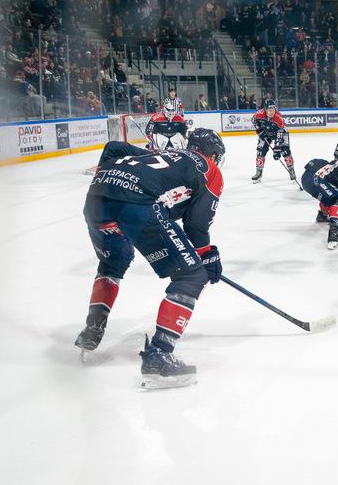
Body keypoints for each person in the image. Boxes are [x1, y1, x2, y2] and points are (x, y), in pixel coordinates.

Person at [75, 128, 226, 388]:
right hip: (135, 204)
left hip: (96, 199)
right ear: (212, 154)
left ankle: (92, 329)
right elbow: (196, 225)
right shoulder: (209, 169)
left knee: (113, 261)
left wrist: (109, 180)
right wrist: (206, 256)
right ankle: (159, 356)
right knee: (191, 275)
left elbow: (113, 148)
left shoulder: (163, 155)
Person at [251, 99, 296, 183]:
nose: (272, 112)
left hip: (280, 133)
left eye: (273, 110)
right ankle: (259, 172)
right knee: (260, 151)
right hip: (266, 133)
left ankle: (291, 170)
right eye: (269, 110)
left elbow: (280, 132)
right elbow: (253, 120)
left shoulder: (279, 118)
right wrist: (259, 130)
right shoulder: (259, 114)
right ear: (265, 109)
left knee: (285, 151)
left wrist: (277, 147)